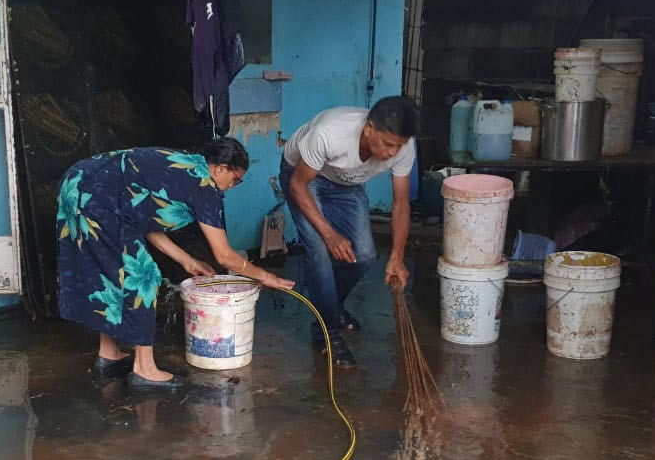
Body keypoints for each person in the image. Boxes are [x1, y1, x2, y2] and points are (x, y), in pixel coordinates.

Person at [57, 138, 294, 390]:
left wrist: (187, 260)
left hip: (78, 182)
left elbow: (140, 217)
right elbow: (225, 256)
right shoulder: (204, 187)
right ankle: (144, 370)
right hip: (97, 199)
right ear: (220, 169)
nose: (231, 187)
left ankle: (109, 353)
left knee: (109, 271)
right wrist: (265, 276)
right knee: (144, 275)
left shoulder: (185, 166)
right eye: (235, 179)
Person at [280, 96, 418, 368]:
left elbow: (401, 204)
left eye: (398, 146)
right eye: (388, 144)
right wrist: (330, 234)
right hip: (304, 178)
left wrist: (397, 257)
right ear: (369, 129)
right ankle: (326, 334)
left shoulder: (404, 148)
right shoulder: (330, 133)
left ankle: (331, 307)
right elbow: (298, 185)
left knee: (364, 255)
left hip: (346, 184)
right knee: (319, 252)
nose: (392, 153)